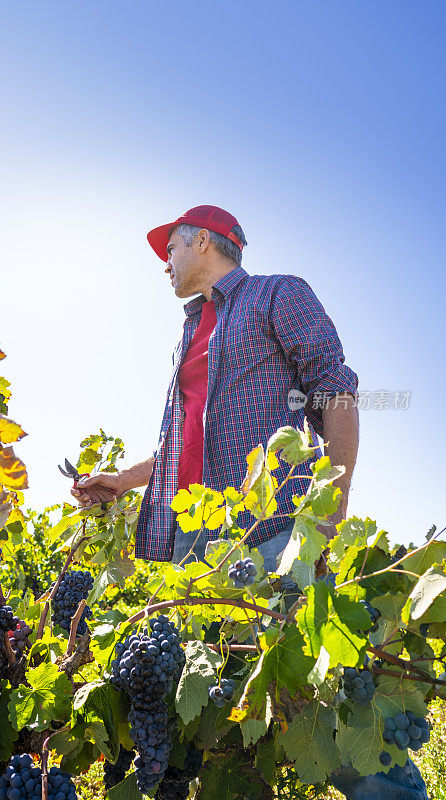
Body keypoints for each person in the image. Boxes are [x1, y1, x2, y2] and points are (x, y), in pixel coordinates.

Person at [73, 205, 428, 800]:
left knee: (326, 708)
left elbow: (334, 389)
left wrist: (326, 519)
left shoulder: (276, 296)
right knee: (221, 723)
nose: (165, 263)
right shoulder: (191, 331)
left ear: (205, 242)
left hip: (270, 537)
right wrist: (124, 480)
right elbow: (187, 446)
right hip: (192, 553)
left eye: (173, 248)